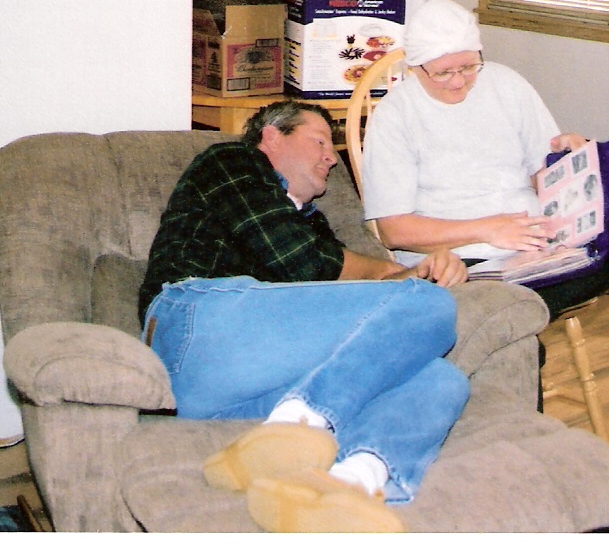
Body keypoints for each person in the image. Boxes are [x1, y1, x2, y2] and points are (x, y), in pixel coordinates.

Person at [138, 100, 470, 533]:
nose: (332, 158)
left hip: (225, 398)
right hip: (194, 328)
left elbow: (350, 295)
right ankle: (296, 424)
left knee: (440, 379)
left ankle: (348, 483)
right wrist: (402, 283)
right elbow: (299, 263)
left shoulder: (313, 224)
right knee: (431, 305)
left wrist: (417, 272)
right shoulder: (232, 162)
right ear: (272, 137)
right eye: (319, 142)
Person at [361, 0, 609, 401]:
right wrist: (488, 229)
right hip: (458, 261)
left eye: (469, 67)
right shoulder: (395, 116)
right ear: (416, 67)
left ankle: (501, 316)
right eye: (443, 73)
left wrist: (570, 162)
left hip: (532, 245)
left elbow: (543, 178)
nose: (458, 81)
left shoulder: (507, 85)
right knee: (513, 332)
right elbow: (394, 231)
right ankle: (504, 316)